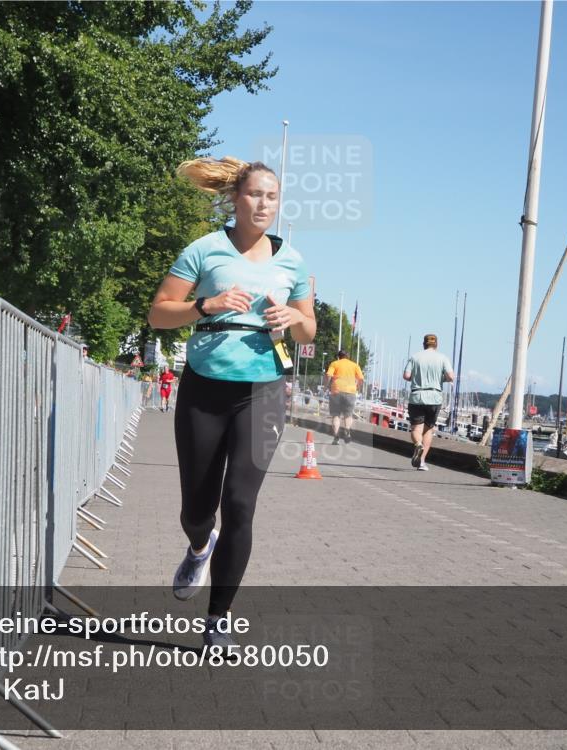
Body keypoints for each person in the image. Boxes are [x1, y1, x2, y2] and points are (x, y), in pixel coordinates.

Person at [147, 156, 316, 648]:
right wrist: (207, 305)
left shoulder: (293, 261)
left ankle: (218, 619)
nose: (263, 204)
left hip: (263, 392)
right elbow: (159, 313)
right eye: (255, 195)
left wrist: (290, 317)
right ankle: (199, 546)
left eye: (272, 197)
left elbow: (308, 329)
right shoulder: (205, 250)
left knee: (240, 504)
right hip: (205, 386)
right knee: (198, 510)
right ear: (235, 198)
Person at [402, 334, 454, 471]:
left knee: (416, 429)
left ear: (424, 344)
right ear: (436, 344)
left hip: (417, 396)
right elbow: (450, 376)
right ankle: (422, 462)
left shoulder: (415, 357)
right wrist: (440, 379)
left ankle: (418, 444)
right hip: (434, 397)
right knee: (429, 429)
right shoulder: (443, 358)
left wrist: (417, 377)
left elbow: (406, 376)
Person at [324, 350, 364, 444]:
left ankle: (336, 436)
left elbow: (329, 375)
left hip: (336, 391)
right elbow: (361, 379)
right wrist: (358, 388)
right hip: (350, 392)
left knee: (336, 415)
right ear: (348, 356)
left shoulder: (334, 363)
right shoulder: (355, 365)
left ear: (339, 357)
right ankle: (347, 431)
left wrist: (325, 386)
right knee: (348, 415)